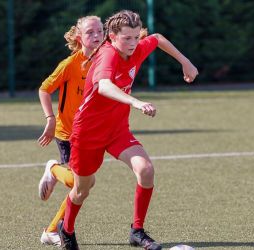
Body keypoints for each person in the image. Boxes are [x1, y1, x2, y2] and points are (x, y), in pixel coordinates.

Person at [57, 9, 198, 250]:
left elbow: (158, 38)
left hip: (117, 130)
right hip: (88, 133)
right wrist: (136, 102)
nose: (133, 43)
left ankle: (137, 230)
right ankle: (66, 228)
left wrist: (186, 62)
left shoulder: (137, 48)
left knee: (145, 169)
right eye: (127, 38)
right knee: (81, 191)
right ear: (112, 36)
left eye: (135, 37)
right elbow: (104, 86)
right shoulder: (108, 55)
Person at [37, 15, 104, 246]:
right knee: (83, 185)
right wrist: (50, 119)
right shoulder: (69, 65)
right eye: (90, 32)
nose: (96, 36)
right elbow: (45, 89)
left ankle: (51, 230)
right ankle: (54, 170)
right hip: (68, 133)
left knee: (84, 185)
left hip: (92, 131)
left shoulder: (106, 59)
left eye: (100, 31)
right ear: (79, 37)